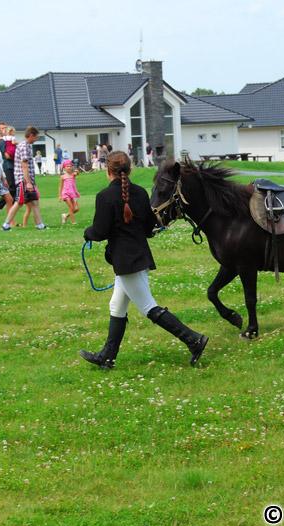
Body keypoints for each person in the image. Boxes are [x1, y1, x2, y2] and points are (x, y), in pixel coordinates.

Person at [80, 151, 208, 369]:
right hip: (138, 258)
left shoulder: (104, 197)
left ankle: (194, 340)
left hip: (126, 262)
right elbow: (149, 228)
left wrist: (87, 233)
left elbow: (100, 231)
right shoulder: (140, 193)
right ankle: (107, 357)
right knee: (116, 306)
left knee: (148, 307)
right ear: (130, 170)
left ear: (107, 170)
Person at [1, 126, 46, 231]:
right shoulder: (24, 146)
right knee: (19, 202)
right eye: (36, 137)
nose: (36, 140)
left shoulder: (27, 146)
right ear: (31, 135)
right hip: (23, 180)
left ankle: (40, 225)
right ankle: (6, 225)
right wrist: (28, 183)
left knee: (34, 202)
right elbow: (24, 165)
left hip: (27, 180)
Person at [58, 160, 81, 224]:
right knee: (71, 207)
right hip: (65, 193)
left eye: (70, 166)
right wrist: (60, 195)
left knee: (76, 209)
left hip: (73, 193)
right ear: (64, 168)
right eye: (67, 166)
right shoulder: (62, 177)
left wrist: (76, 170)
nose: (69, 167)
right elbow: (60, 187)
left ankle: (65, 215)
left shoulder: (73, 174)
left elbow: (78, 172)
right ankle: (73, 222)